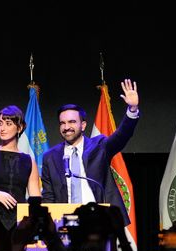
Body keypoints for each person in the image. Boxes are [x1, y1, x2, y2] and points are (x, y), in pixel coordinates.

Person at [40, 78, 140, 225]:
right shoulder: (50, 156)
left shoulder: (99, 146)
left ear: (83, 125)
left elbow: (122, 135)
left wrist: (132, 110)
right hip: (65, 222)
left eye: (72, 122)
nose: (66, 127)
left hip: (99, 219)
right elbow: (48, 196)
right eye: (62, 123)